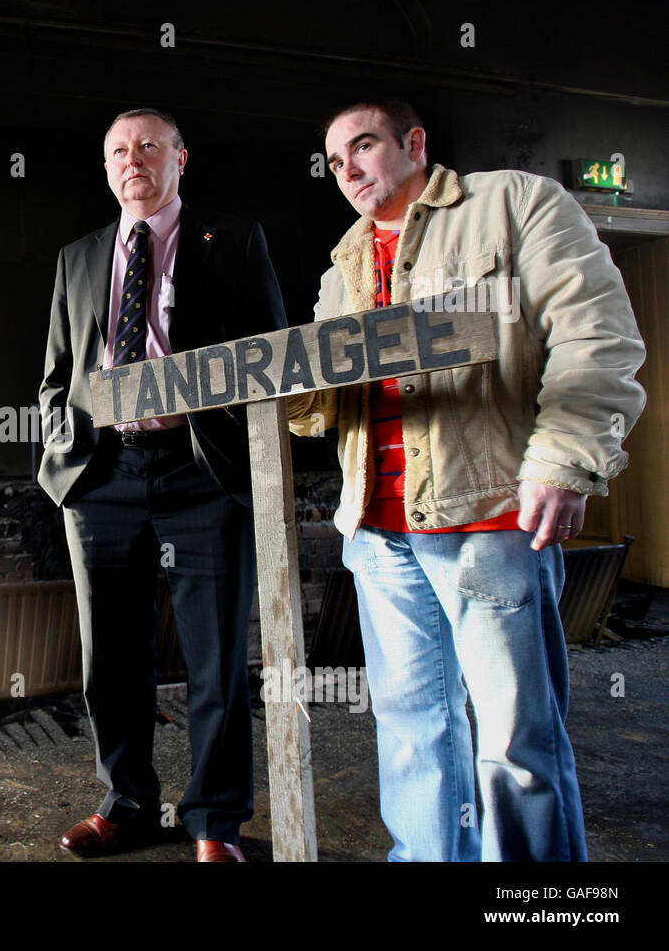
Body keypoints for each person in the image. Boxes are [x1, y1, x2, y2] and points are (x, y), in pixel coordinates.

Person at [286, 99, 646, 861]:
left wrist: (561, 460)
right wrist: (281, 391)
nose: (348, 168)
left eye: (365, 146)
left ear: (414, 143)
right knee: (414, 732)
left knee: (516, 739)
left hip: (488, 522)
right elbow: (324, 404)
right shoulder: (345, 259)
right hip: (379, 532)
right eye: (335, 158)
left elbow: (596, 333)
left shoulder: (513, 203)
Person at [38, 107, 287, 861]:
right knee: (110, 658)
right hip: (103, 474)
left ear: (182, 159)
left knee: (215, 659)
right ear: (107, 166)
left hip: (200, 470)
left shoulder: (234, 240)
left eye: (149, 145)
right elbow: (56, 377)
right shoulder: (77, 258)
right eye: (118, 148)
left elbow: (271, 358)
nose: (132, 158)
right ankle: (126, 805)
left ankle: (215, 822)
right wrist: (67, 454)